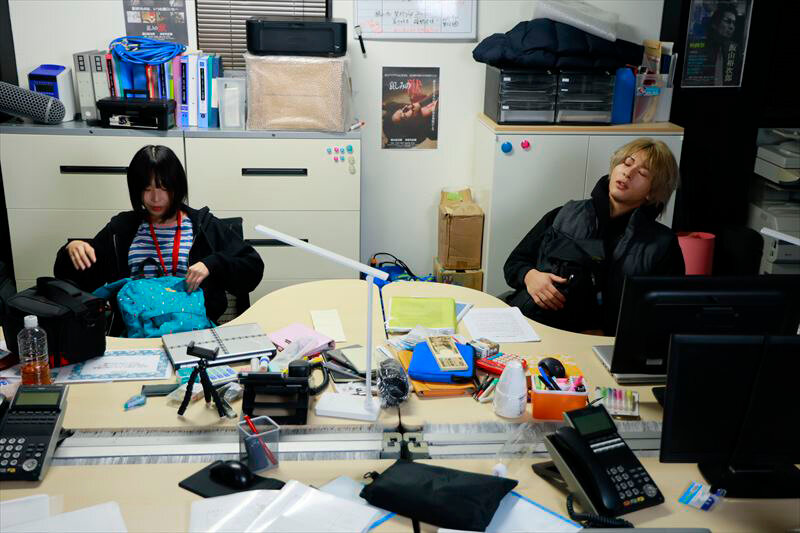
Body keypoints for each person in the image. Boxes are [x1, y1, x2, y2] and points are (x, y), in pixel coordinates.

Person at [54, 145, 264, 335]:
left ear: (177, 187)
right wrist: (71, 250)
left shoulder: (202, 226)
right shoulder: (122, 230)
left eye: (164, 188)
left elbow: (252, 268)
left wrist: (212, 264)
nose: (155, 198)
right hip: (135, 334)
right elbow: (77, 282)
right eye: (147, 189)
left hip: (194, 333)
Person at [503, 138, 685, 335]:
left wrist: (608, 333)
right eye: (627, 163)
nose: (628, 173)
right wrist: (530, 276)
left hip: (606, 344)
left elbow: (665, 313)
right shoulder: (564, 214)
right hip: (537, 327)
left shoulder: (662, 245)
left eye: (642, 173)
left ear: (652, 192)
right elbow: (514, 263)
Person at [382, 78, 439, 148]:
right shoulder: (435, 129)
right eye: (404, 113)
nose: (407, 107)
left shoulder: (420, 106)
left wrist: (420, 102)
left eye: (403, 109)